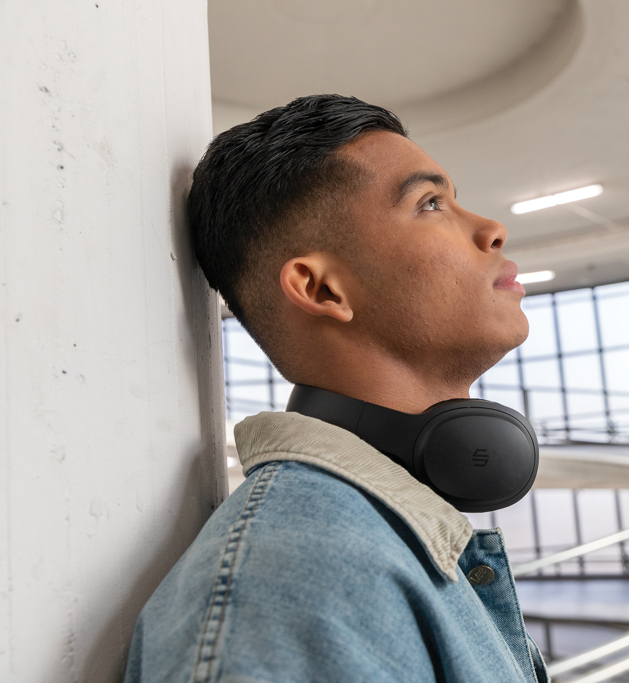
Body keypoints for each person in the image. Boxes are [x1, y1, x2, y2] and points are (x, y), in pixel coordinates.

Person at [124, 94, 546, 682]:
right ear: (322, 290)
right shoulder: (294, 584)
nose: (492, 229)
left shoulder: (350, 553)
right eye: (431, 204)